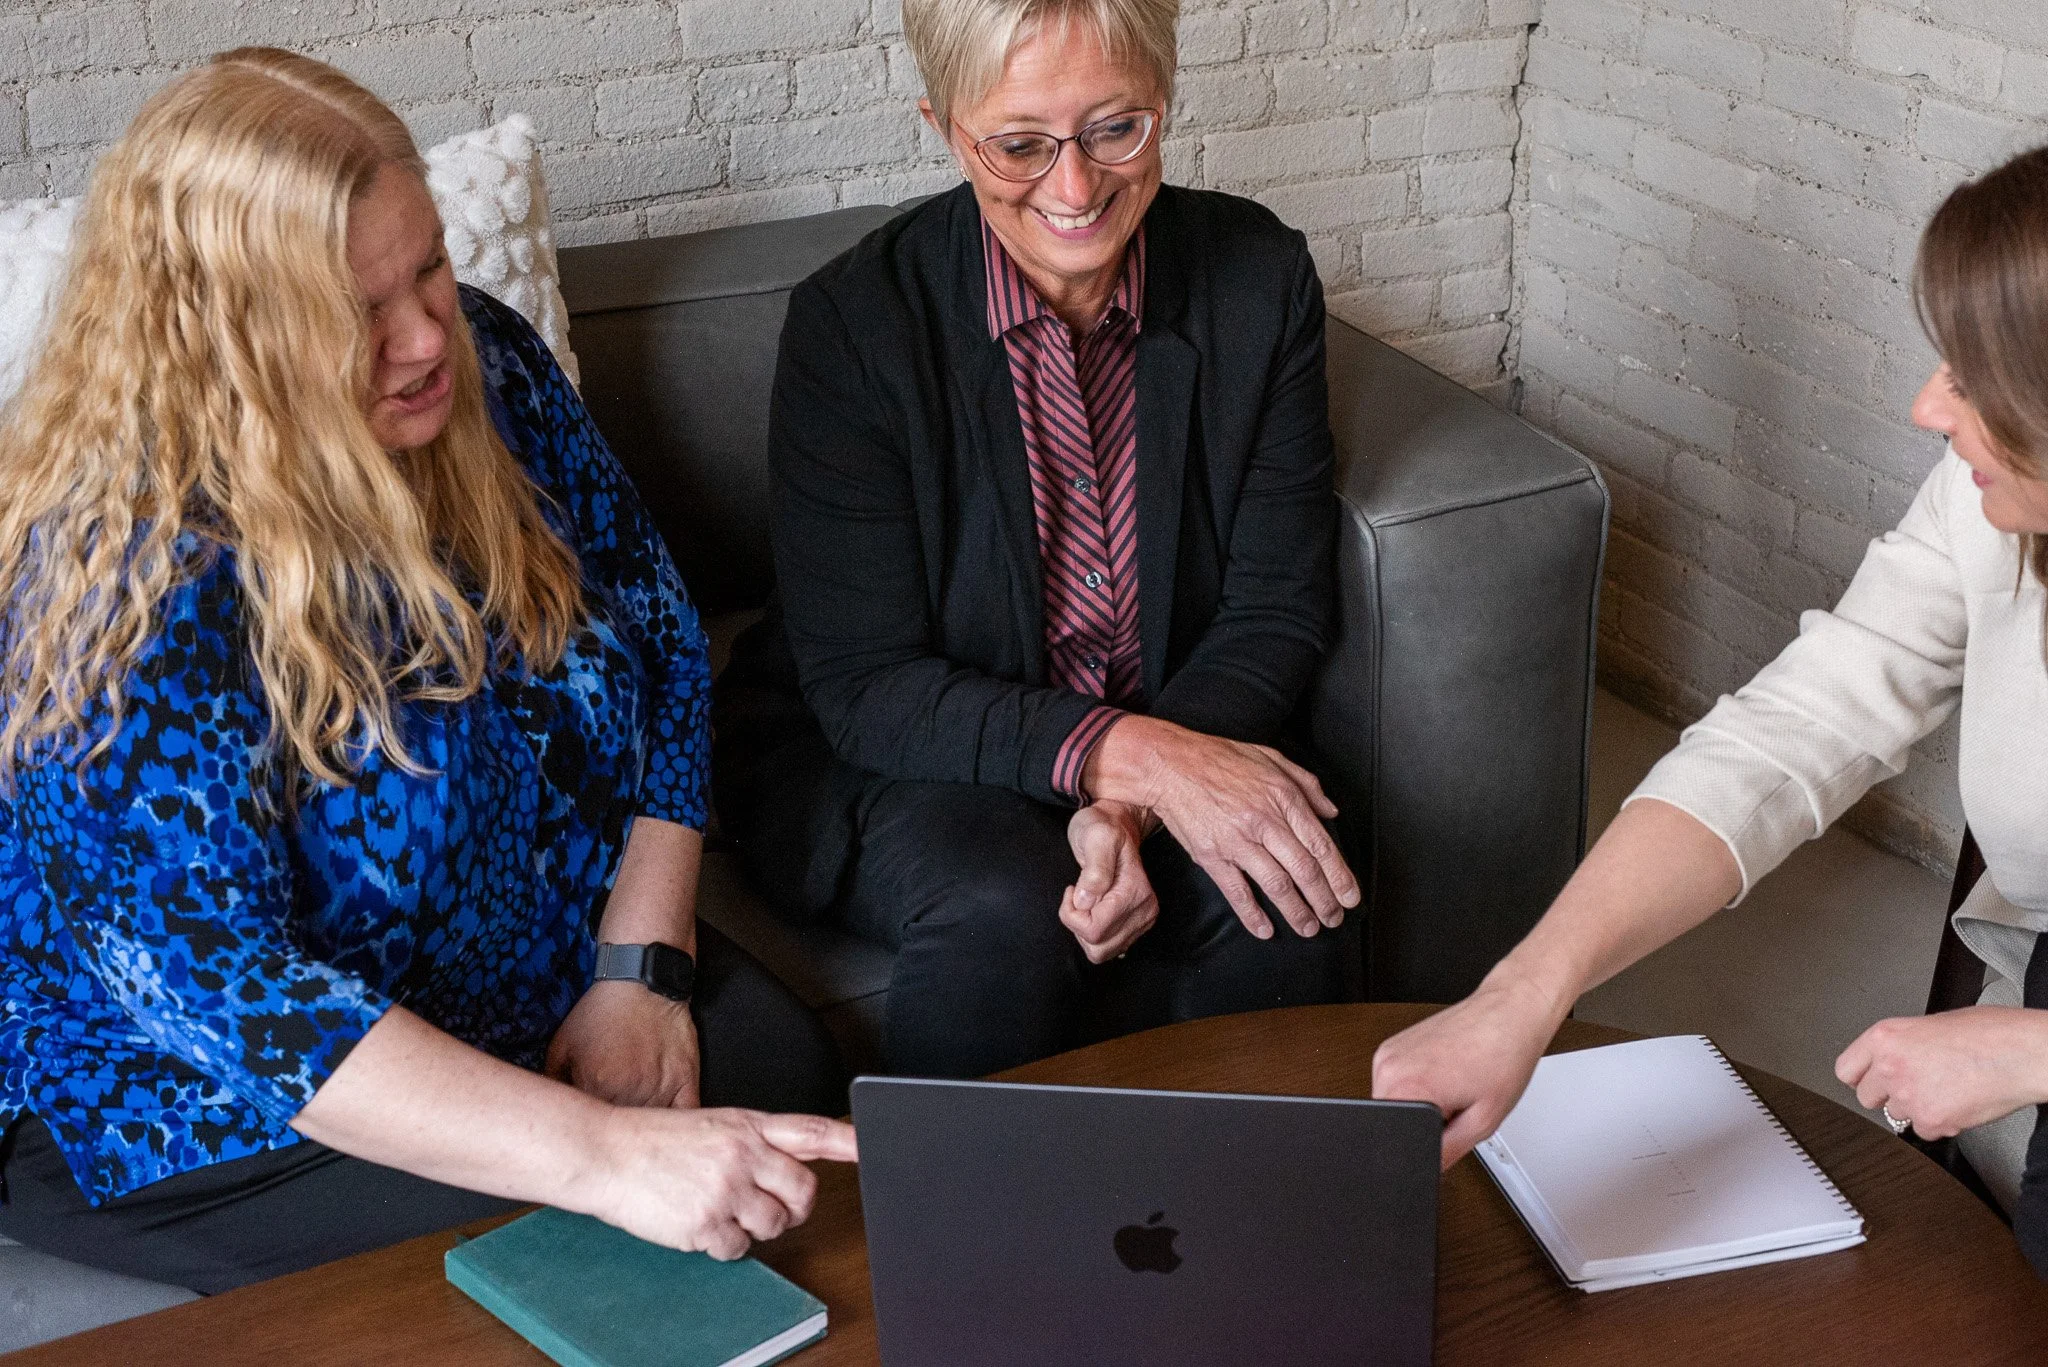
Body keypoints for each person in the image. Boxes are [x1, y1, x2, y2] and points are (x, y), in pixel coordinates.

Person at [0, 49, 854, 1296]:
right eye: (358, 312)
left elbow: (664, 638)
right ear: (230, 337)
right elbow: (232, 991)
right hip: (222, 1094)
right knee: (610, 1241)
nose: (420, 338)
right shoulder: (121, 572)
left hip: (520, 968)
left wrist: (640, 973)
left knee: (774, 1106)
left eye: (429, 269)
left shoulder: (486, 366)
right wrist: (601, 1154)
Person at [1371, 144, 2048, 1275]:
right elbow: (1798, 725)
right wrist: (1522, 990)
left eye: (1975, 381)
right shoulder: (1993, 503)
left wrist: (2028, 1052)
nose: (1925, 404)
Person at [713, 0, 1362, 1079]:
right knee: (1003, 904)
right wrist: (1142, 758)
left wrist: (1133, 805)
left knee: (1287, 883)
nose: (1075, 188)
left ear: (1162, 100)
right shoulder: (853, 325)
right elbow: (870, 683)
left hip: (1166, 717)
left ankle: (1248, 1227)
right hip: (893, 752)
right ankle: (937, 1245)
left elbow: (1273, 606)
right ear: (942, 126)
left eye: (1116, 129)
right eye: (1017, 145)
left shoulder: (1259, 278)